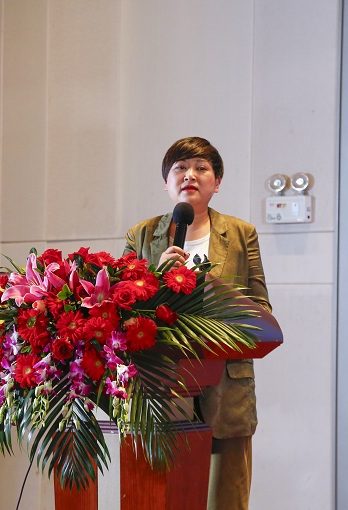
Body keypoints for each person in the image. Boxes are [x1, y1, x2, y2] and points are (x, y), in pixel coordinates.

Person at [124, 136, 271, 510]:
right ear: (166, 183)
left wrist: (213, 298)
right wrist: (155, 278)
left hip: (225, 383)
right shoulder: (142, 235)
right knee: (160, 496)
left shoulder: (240, 234)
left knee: (225, 497)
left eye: (201, 168)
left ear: (216, 182)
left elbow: (259, 308)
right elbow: (120, 309)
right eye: (180, 168)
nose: (190, 175)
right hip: (158, 386)